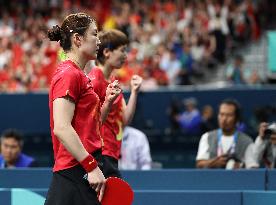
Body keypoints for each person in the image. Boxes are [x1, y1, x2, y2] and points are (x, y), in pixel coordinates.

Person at [45, 13, 121, 205]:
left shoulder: (79, 75)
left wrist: (107, 104)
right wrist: (91, 167)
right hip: (75, 169)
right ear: (78, 39)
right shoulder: (68, 74)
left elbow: (89, 127)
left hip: (84, 166)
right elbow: (61, 127)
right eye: (94, 34)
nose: (99, 40)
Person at [88, 29, 142, 178]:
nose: (126, 55)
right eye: (122, 50)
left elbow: (125, 120)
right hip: (100, 153)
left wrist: (134, 92)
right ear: (107, 52)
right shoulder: (94, 80)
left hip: (112, 151)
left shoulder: (112, 81)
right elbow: (90, 122)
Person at [196, 99, 255, 169]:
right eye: (221, 114)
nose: (224, 119)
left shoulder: (247, 141)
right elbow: (199, 165)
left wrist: (240, 166)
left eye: (229, 115)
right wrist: (213, 163)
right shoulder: (207, 137)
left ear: (237, 118)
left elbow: (252, 168)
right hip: (212, 179)